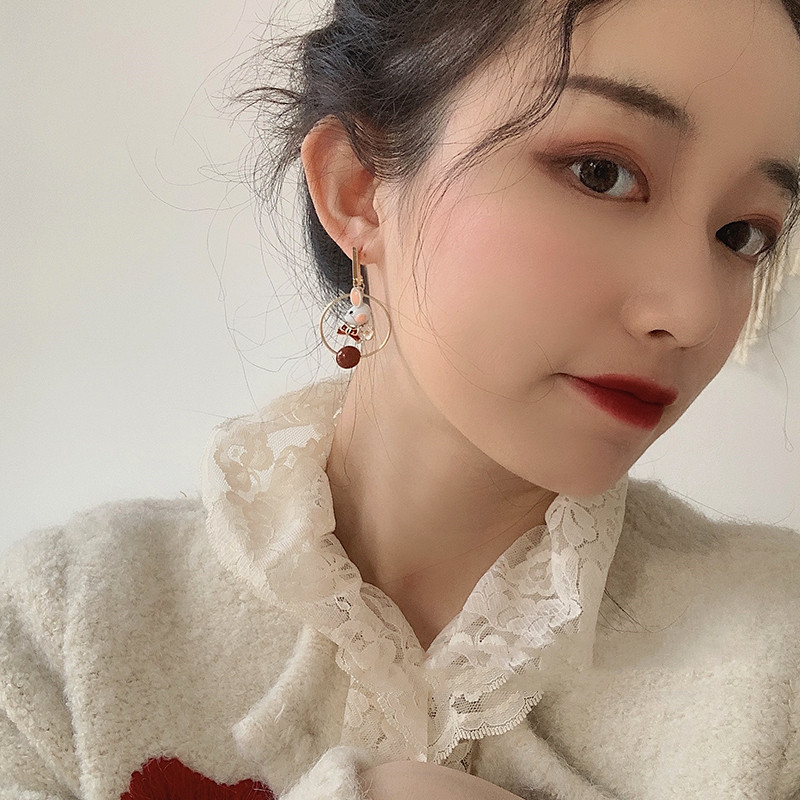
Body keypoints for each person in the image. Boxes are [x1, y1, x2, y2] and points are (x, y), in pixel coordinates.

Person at [2, 0, 800, 798]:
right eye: (602, 173)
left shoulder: (780, 662)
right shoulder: (60, 631)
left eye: (743, 235)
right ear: (357, 188)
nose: (693, 313)